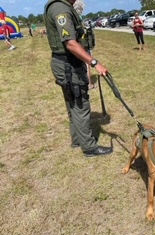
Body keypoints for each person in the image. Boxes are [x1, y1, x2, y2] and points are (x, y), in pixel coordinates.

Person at [44, 0, 112, 157]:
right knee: (80, 104)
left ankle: (77, 139)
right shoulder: (61, 8)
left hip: (65, 63)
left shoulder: (60, 6)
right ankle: (89, 147)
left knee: (72, 103)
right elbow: (71, 44)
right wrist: (95, 63)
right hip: (68, 65)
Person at [73, 0, 96, 89]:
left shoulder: (73, 17)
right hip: (83, 45)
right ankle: (89, 83)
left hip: (77, 45)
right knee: (87, 64)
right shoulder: (79, 19)